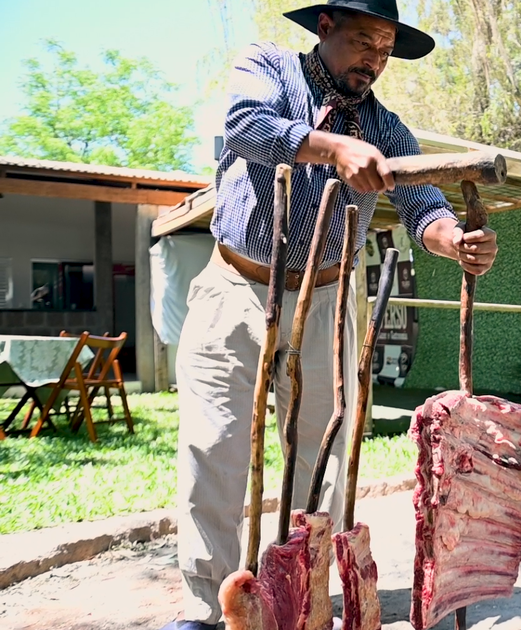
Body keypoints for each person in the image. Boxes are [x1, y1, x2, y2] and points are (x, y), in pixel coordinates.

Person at [164, 1, 497, 628]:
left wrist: (453, 239)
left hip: (327, 298)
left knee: (321, 452)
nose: (375, 59)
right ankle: (207, 610)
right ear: (325, 28)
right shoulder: (268, 68)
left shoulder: (388, 130)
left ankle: (299, 597)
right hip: (237, 285)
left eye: (385, 47)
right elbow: (246, 129)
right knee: (216, 448)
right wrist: (331, 147)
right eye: (366, 40)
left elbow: (423, 201)